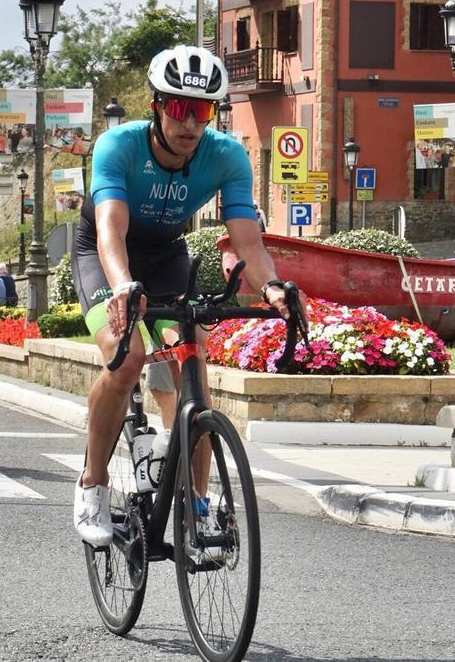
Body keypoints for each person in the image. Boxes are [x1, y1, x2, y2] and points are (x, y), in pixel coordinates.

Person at [70, 45, 290, 548]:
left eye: (203, 111)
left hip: (167, 255)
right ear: (157, 105)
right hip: (105, 253)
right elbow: (110, 230)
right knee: (127, 358)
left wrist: (272, 286)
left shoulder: (227, 156)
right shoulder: (118, 146)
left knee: (189, 363)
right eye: (179, 108)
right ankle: (93, 482)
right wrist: (124, 286)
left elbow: (247, 241)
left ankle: (197, 503)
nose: (190, 123)